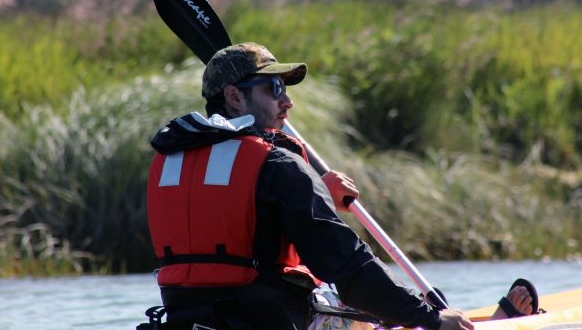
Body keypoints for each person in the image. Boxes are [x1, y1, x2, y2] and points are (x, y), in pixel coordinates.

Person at [146, 42, 534, 330]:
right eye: (274, 89)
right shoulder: (276, 164)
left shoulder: (168, 163)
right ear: (234, 97)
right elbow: (349, 268)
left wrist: (317, 195)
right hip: (271, 320)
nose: (288, 103)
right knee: (367, 311)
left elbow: (238, 230)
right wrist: (428, 317)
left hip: (187, 321)